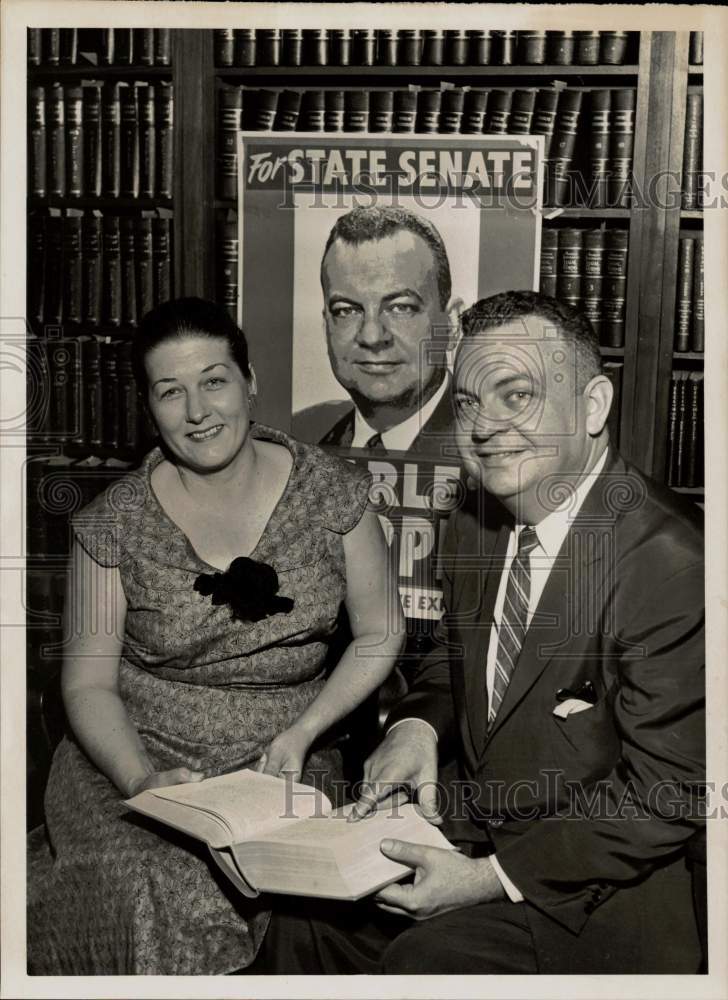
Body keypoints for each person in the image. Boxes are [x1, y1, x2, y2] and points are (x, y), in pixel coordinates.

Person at [262, 291, 706, 975]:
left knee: (424, 963)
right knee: (301, 921)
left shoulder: (673, 566)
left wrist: (490, 878)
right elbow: (456, 653)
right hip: (477, 825)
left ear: (592, 407)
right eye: (468, 401)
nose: (485, 426)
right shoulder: (477, 516)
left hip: (597, 894)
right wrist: (418, 728)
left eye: (516, 395)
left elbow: (665, 792)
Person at [27, 297, 404, 975]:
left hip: (282, 752)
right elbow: (86, 682)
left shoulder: (335, 494)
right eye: (171, 391)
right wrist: (139, 778)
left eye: (214, 380)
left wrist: (304, 732)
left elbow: (380, 633)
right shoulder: (111, 524)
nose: (198, 410)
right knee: (145, 877)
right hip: (134, 754)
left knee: (266, 876)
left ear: (250, 380)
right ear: (149, 408)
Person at [292, 205, 462, 458]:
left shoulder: (492, 447)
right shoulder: (297, 437)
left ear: (451, 325)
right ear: (325, 324)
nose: (372, 337)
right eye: (347, 310)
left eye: (400, 308)